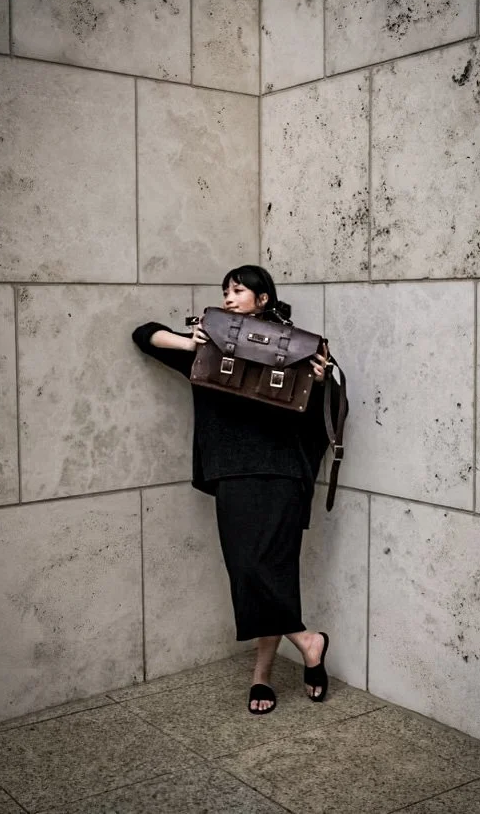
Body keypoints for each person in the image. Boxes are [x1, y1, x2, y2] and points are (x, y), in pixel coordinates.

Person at [132, 264, 344, 714]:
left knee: (275, 573)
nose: (228, 298)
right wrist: (189, 342)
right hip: (234, 471)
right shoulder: (213, 345)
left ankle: (261, 676)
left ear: (263, 299)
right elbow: (144, 334)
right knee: (249, 569)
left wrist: (321, 380)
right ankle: (308, 641)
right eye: (225, 291)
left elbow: (323, 416)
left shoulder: (296, 349)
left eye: (239, 291)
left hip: (284, 471)